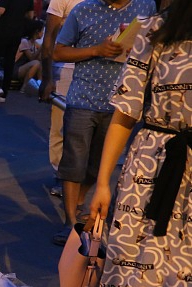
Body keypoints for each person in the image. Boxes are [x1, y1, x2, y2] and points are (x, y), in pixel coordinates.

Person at [86, 0, 192, 287]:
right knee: (124, 279)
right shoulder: (153, 30)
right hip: (151, 166)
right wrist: (102, 182)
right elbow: (125, 111)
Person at [50, 0, 155, 245]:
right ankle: (70, 222)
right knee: (73, 162)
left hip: (122, 103)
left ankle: (79, 204)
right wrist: (96, 50)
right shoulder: (83, 10)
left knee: (98, 165)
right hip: (82, 98)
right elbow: (59, 51)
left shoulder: (146, 6)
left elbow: (153, 45)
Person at [37, 0, 83, 198]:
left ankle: (77, 176)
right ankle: (60, 174)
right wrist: (47, 77)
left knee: (83, 128)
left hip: (91, 71)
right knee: (60, 127)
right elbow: (49, 38)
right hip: (63, 70)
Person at [0, 0, 34, 103]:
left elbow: (1, 11)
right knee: (9, 62)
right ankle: (4, 93)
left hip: (4, 31)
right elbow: (30, 15)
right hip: (17, 32)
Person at [12, 19, 43, 95]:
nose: (43, 33)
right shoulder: (25, 42)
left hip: (23, 68)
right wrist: (41, 48)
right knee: (36, 63)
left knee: (41, 62)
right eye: (42, 31)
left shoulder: (34, 43)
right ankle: (24, 87)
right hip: (15, 69)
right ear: (37, 32)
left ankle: (40, 83)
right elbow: (31, 58)